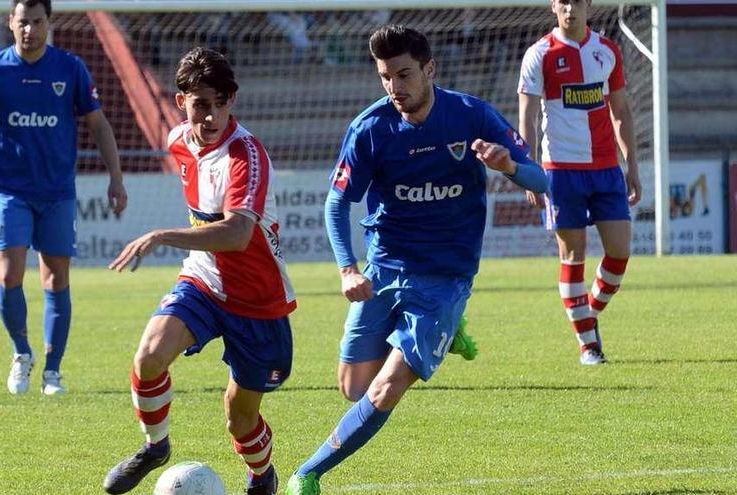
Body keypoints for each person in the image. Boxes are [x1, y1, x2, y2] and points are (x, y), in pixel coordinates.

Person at [286, 25, 548, 495]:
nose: (394, 87)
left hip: (446, 276)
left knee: (386, 389)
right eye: (385, 76)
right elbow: (336, 203)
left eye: (404, 74)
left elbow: (542, 181)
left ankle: (309, 473)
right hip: (384, 267)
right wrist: (348, 267)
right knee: (353, 387)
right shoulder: (371, 128)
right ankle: (442, 338)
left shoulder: (471, 115)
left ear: (430, 69)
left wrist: (508, 166)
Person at [102, 47, 295, 495]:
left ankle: (262, 476)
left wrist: (160, 236)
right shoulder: (177, 142)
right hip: (204, 282)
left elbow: (235, 235)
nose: (209, 117)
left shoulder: (246, 156)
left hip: (258, 301)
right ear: (180, 102)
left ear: (233, 101)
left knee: (239, 417)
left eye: (219, 104)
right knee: (149, 357)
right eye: (199, 105)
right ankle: (155, 447)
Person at [0, 0, 128, 395]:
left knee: (55, 279)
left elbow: (100, 126)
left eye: (37, 22)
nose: (30, 30)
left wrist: (116, 179)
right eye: (23, 22)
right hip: (10, 192)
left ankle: (53, 370)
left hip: (57, 193)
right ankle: (22, 353)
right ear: (11, 23)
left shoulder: (70, 69)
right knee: (8, 273)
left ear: (49, 23)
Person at [518, 0, 641, 365]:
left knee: (619, 253)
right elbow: (526, 115)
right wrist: (527, 169)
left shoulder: (607, 51)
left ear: (589, 5)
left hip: (605, 168)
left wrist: (632, 165)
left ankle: (585, 313)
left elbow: (620, 111)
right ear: (553, 6)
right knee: (573, 256)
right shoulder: (539, 54)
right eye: (564, 1)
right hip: (560, 171)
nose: (571, 9)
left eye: (578, 1)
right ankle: (589, 346)